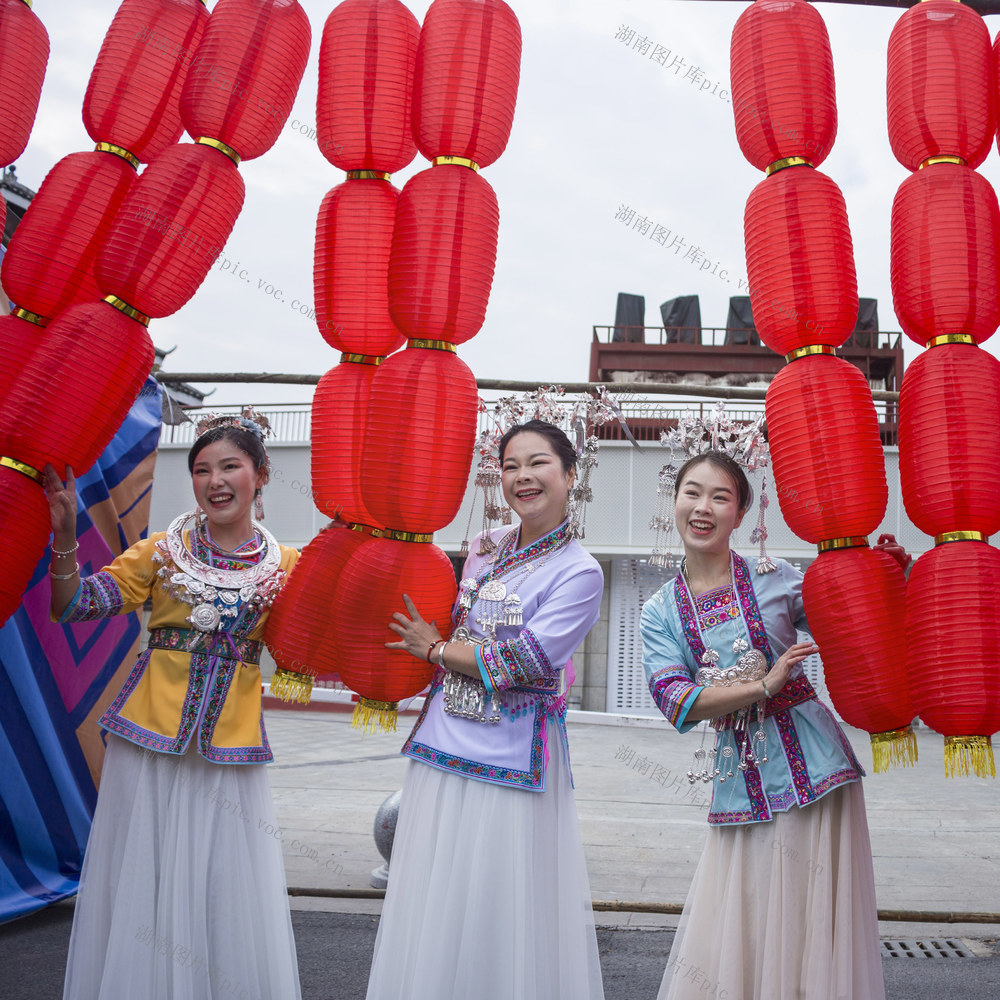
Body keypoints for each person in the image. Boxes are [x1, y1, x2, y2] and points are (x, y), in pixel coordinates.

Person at [46, 413, 302, 1000]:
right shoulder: (161, 552)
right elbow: (74, 606)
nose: (215, 480)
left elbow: (304, 654)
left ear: (260, 475)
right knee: (144, 878)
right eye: (201, 469)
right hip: (149, 746)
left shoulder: (288, 567)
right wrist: (64, 538)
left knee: (222, 887)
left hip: (228, 755)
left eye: (230, 466)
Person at [641, 450, 895, 1000]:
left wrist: (883, 575)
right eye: (692, 492)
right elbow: (677, 702)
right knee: (750, 910)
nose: (703, 507)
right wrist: (763, 685)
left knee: (809, 915)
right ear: (675, 502)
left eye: (720, 496)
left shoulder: (777, 577)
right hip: (740, 776)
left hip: (817, 773)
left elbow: (852, 622)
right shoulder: (659, 610)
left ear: (741, 514)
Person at [366, 419, 606, 1000]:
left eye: (539, 463)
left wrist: (437, 650)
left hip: (512, 757)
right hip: (442, 741)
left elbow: (525, 659)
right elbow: (453, 619)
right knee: (434, 893)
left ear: (571, 474)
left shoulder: (581, 571)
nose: (522, 477)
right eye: (510, 465)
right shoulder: (484, 546)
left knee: (499, 899)